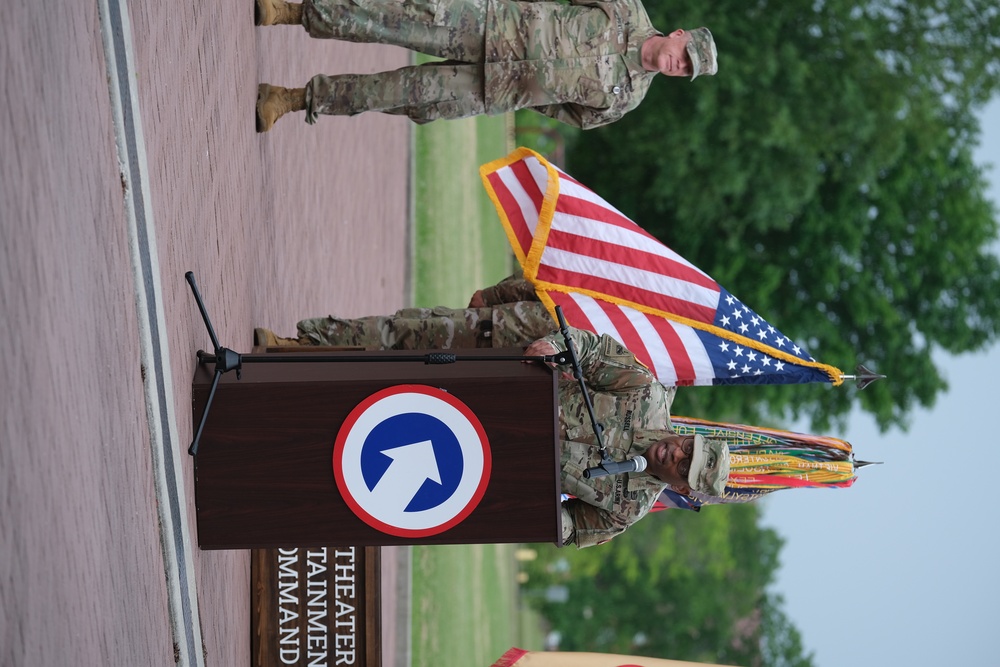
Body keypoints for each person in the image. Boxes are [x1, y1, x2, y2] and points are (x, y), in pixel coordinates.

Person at [254, 299, 730, 548]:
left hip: (472, 466)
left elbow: (564, 527)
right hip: (496, 394)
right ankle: (301, 347)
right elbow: (593, 350)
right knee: (401, 358)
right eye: (688, 446)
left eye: (684, 466)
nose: (677, 453)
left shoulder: (626, 510)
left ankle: (273, 463)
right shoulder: (644, 393)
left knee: (364, 444)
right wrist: (553, 347)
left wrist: (527, 507)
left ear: (682, 489)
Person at [253, 0, 718, 132]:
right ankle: (290, 11)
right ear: (678, 35)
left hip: (488, 89)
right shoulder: (625, 8)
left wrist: (524, 90)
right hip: (487, 24)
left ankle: (291, 100)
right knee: (390, 19)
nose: (678, 66)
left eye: (686, 70)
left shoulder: (627, 99)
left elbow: (563, 111)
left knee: (390, 95)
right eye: (684, 55)